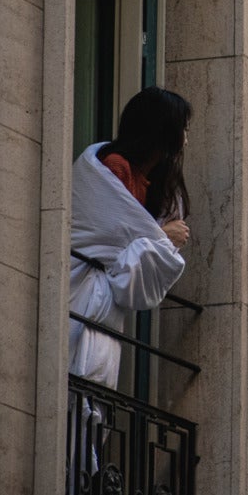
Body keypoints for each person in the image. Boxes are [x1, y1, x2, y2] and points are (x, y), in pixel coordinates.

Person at [68, 87, 193, 385]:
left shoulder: (149, 181)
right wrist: (163, 237)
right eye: (182, 128)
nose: (186, 138)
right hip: (85, 288)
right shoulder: (116, 167)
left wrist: (156, 238)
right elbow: (111, 233)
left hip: (106, 302)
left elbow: (131, 239)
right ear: (163, 130)